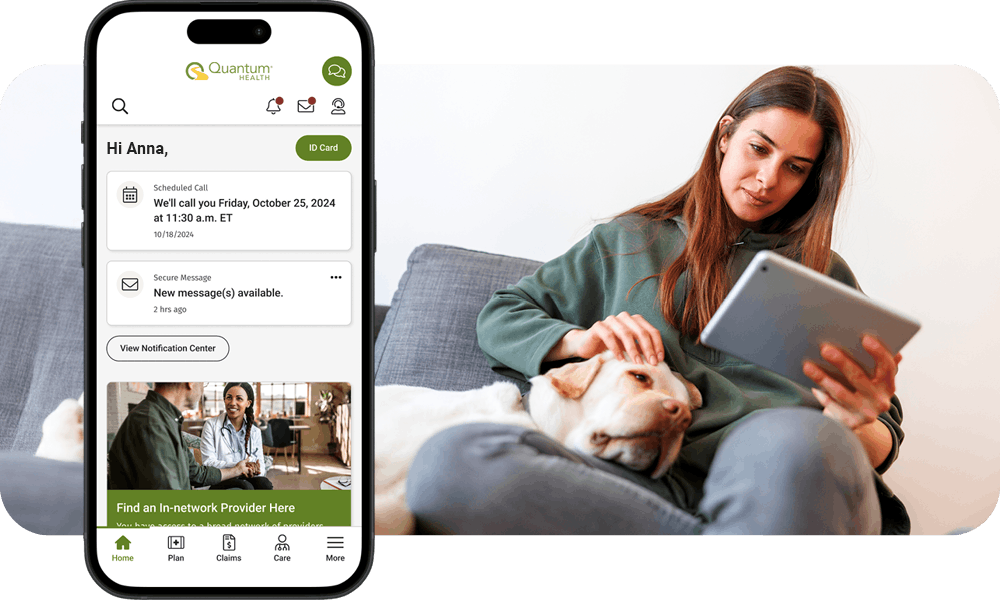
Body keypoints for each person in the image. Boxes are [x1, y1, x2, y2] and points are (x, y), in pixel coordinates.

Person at [406, 66, 909, 535]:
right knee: (453, 459)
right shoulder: (628, 242)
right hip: (637, 477)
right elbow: (501, 315)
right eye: (759, 148)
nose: (768, 179)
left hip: (779, 478)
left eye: (795, 167)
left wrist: (853, 423)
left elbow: (882, 435)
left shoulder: (823, 272)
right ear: (725, 135)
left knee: (795, 443)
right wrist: (580, 340)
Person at [108, 382, 251, 490]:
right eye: (203, 382)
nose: (202, 388)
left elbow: (196, 474)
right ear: (190, 382)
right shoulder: (151, 424)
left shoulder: (166, 419)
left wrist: (237, 470)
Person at [200, 382, 273, 490]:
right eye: (229, 398)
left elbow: (260, 464)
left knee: (265, 484)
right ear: (224, 400)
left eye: (239, 399)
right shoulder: (211, 425)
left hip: (246, 476)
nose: (232, 403)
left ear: (248, 403)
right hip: (220, 479)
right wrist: (238, 467)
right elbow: (208, 463)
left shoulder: (255, 432)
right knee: (245, 487)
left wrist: (255, 469)